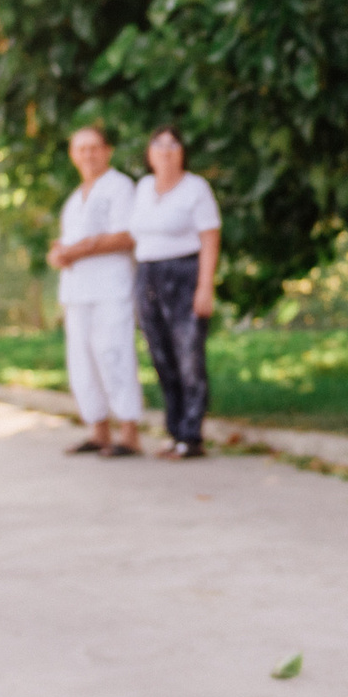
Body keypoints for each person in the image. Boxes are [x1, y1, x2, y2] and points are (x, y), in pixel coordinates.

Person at [48, 124, 142, 457]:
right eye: (81, 149)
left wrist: (78, 250)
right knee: (82, 363)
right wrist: (60, 253)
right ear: (73, 155)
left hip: (110, 289)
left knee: (113, 354)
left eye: (94, 148)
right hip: (77, 293)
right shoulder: (74, 200)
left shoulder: (120, 187)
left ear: (107, 151)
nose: (88, 155)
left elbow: (126, 236)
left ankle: (128, 433)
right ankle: (98, 430)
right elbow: (67, 242)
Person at [130, 123, 220, 460]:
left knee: (188, 356)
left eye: (173, 144)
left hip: (184, 272)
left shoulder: (196, 188)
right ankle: (174, 430)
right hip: (148, 274)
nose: (166, 150)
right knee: (160, 355)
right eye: (158, 144)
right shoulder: (142, 188)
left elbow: (210, 238)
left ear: (182, 152)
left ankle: (191, 435)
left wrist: (205, 286)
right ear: (149, 154)